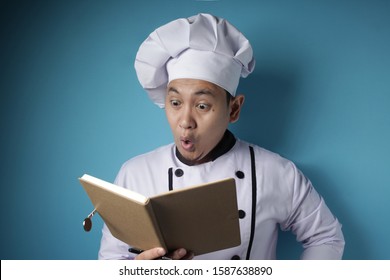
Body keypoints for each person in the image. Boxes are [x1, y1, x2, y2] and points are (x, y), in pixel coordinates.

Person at [98, 13, 345, 260]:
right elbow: (111, 261)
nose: (185, 121)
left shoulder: (277, 172)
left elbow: (327, 238)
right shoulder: (135, 174)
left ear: (234, 109)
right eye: (175, 102)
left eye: (202, 105)